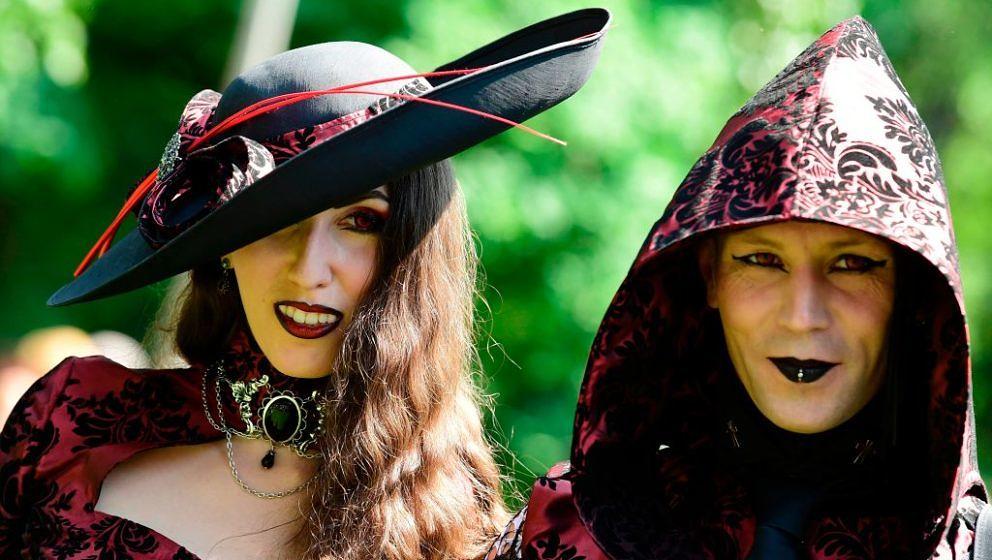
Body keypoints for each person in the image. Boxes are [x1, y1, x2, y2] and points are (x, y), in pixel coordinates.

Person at [0, 8, 611, 559]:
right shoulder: (73, 429)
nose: (310, 268)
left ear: (415, 254)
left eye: (360, 222)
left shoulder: (471, 538)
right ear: (223, 250)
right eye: (274, 223)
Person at [487, 15, 986, 560]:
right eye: (762, 260)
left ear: (911, 291)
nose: (803, 315)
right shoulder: (564, 530)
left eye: (851, 265)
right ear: (709, 275)